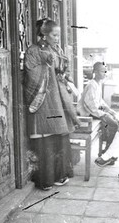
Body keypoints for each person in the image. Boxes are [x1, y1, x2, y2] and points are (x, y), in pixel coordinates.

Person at [23, 18, 80, 190]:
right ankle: (45, 180)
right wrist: (46, 67)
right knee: (46, 140)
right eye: (54, 35)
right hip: (42, 101)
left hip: (56, 100)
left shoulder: (56, 49)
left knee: (59, 135)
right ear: (44, 34)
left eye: (58, 35)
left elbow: (63, 68)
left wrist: (61, 71)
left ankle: (59, 176)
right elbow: (31, 75)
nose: (57, 38)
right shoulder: (33, 51)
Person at [77, 62, 119, 162]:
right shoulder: (91, 85)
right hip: (86, 113)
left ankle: (107, 152)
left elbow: (100, 102)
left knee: (115, 119)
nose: (104, 73)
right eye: (102, 71)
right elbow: (91, 106)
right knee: (113, 124)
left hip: (94, 112)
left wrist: (109, 110)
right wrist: (104, 114)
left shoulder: (98, 83)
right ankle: (107, 154)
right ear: (95, 72)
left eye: (105, 71)